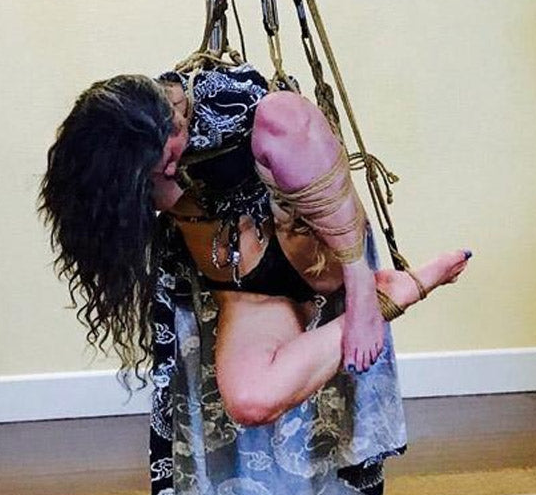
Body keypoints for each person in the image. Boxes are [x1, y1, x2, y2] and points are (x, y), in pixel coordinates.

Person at [40, 59, 470, 495]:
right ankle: (394, 295)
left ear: (171, 120)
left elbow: (301, 145)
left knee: (283, 114)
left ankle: (366, 296)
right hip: (244, 289)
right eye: (154, 171)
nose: (166, 172)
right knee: (250, 400)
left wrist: (358, 295)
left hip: (306, 252)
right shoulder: (131, 162)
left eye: (164, 158)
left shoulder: (232, 101)